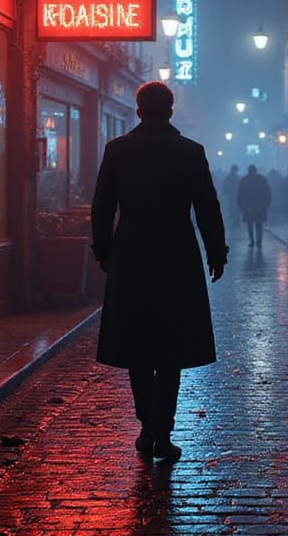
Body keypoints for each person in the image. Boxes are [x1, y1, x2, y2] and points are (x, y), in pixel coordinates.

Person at [91, 81, 228, 462]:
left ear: (138, 111)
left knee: (137, 345)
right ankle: (161, 430)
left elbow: (102, 207)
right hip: (176, 255)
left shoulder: (118, 150)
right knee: (171, 348)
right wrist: (216, 252)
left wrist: (103, 251)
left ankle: (146, 427)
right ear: (170, 111)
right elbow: (207, 207)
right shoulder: (190, 152)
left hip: (132, 254)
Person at [237, 164, 272, 248]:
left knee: (250, 225)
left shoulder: (245, 179)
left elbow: (240, 193)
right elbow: (267, 192)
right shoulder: (261, 179)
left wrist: (240, 205)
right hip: (260, 205)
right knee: (259, 225)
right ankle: (259, 241)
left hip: (248, 205)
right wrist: (267, 203)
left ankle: (252, 241)